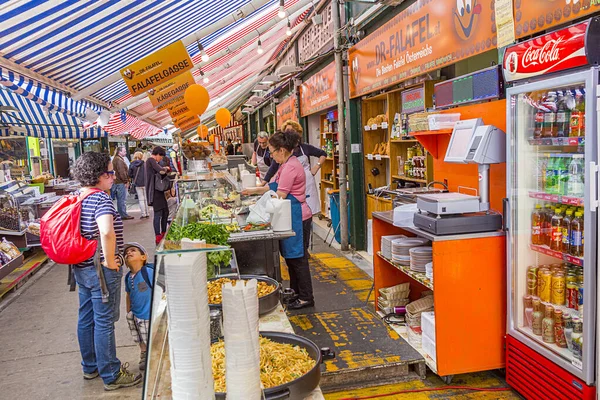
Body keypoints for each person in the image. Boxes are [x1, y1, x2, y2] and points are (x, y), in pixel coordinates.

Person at [70, 152, 142, 390]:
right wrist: (110, 260)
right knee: (104, 320)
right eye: (110, 173)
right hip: (101, 269)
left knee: (86, 315)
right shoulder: (100, 200)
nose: (113, 177)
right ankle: (111, 373)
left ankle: (90, 366)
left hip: (81, 266)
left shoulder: (78, 196)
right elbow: (107, 232)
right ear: (98, 175)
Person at [242, 130, 314, 310]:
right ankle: (296, 292)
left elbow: (280, 194)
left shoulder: (290, 166)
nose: (272, 156)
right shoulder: (286, 164)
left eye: (273, 152)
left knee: (298, 259)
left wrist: (261, 204)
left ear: (282, 150)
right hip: (288, 214)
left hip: (296, 215)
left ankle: (306, 297)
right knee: (292, 259)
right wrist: (252, 191)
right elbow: (272, 185)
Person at [261, 120, 326, 216]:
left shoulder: (305, 148)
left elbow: (323, 154)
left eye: (292, 131)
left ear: (298, 133)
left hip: (307, 183)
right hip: (291, 187)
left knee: (308, 212)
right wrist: (262, 183)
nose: (290, 134)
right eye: (287, 131)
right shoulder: (282, 152)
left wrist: (316, 167)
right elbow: (273, 168)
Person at [123, 243, 154, 371]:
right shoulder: (127, 277)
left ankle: (152, 355)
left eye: (133, 250)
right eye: (126, 253)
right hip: (135, 315)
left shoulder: (148, 272)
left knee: (150, 337)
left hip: (148, 314)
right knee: (139, 337)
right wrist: (129, 311)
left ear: (143, 257)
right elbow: (128, 294)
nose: (128, 253)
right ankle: (144, 353)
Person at [146, 147, 170, 244]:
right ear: (158, 154)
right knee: (158, 214)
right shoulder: (151, 160)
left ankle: (163, 232)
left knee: (165, 212)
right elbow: (160, 171)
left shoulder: (152, 161)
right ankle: (158, 235)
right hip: (155, 191)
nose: (161, 159)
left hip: (158, 191)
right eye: (161, 156)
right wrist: (166, 168)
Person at [112, 146, 133, 220]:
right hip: (120, 182)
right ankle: (123, 214)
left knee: (120, 199)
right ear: (119, 152)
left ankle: (121, 214)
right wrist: (126, 181)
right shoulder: (119, 160)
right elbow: (122, 172)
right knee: (122, 199)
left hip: (117, 182)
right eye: (124, 151)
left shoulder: (117, 159)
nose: (126, 152)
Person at [128, 151, 149, 219]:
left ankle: (143, 214)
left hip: (137, 183)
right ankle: (147, 212)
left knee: (141, 199)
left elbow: (129, 174)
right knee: (146, 199)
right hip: (145, 183)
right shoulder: (145, 163)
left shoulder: (132, 164)